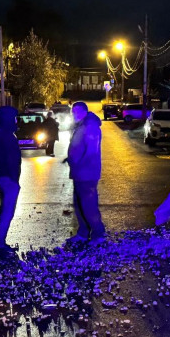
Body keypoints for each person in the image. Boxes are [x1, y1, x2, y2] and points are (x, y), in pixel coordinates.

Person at [65, 101, 105, 245]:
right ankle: (83, 232)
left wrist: (78, 161)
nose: (73, 114)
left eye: (76, 111)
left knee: (88, 204)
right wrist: (71, 158)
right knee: (79, 204)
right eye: (72, 111)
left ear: (84, 111)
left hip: (87, 173)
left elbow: (91, 150)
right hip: (79, 172)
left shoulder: (90, 126)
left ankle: (98, 234)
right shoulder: (82, 125)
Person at [0, 106, 22, 256]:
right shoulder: (7, 136)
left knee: (4, 210)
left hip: (3, 178)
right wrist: (14, 180)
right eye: (14, 118)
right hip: (8, 179)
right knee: (7, 211)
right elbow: (10, 160)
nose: (16, 121)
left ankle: (0, 242)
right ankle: (0, 244)